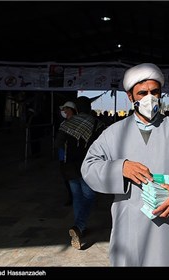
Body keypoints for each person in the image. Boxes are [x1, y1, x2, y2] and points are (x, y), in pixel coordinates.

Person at [81, 63, 169, 266]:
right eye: (142, 93)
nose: (149, 98)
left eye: (154, 92)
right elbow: (88, 166)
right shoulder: (114, 133)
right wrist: (120, 168)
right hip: (129, 226)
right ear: (130, 97)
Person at [55, 97, 105, 250]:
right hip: (87, 166)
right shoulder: (97, 123)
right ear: (89, 107)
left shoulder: (67, 123)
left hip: (69, 166)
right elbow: (103, 145)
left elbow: (58, 143)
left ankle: (80, 229)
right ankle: (78, 226)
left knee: (77, 196)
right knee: (90, 196)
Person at [57, 101, 77, 206]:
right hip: (62, 155)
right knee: (66, 177)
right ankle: (71, 196)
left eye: (64, 109)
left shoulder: (76, 123)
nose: (63, 111)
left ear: (70, 110)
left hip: (71, 155)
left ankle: (75, 197)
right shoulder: (63, 123)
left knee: (73, 178)